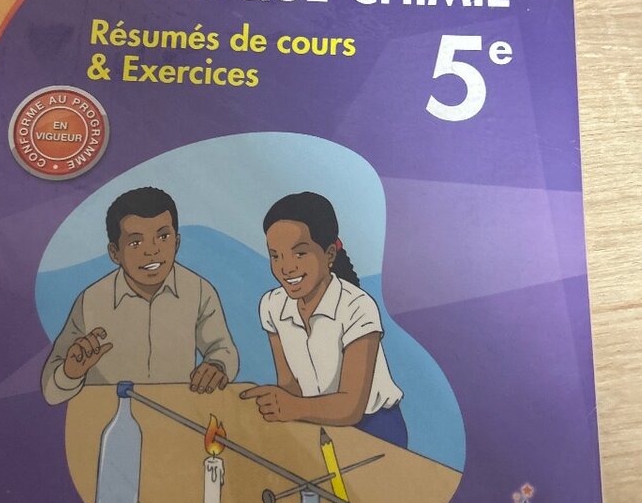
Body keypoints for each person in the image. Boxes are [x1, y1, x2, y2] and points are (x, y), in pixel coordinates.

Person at [41, 187, 238, 405]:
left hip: (177, 414)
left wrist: (217, 366)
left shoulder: (199, 291)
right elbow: (51, 393)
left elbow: (223, 350)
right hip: (109, 417)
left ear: (177, 243)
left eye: (163, 237)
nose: (152, 251)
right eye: (135, 242)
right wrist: (70, 374)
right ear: (114, 253)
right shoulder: (90, 301)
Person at [241, 191, 407, 448]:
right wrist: (280, 405)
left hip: (375, 427)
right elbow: (289, 385)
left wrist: (292, 407)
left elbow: (351, 407)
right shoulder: (272, 305)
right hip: (312, 419)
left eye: (299, 253)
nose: (286, 267)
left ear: (329, 254)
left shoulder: (357, 307)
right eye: (276, 256)